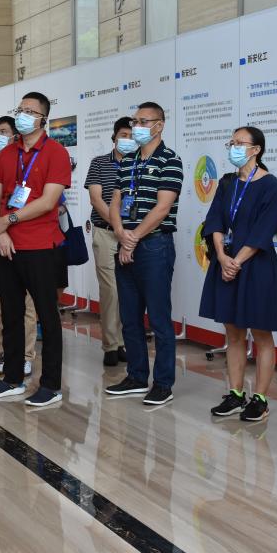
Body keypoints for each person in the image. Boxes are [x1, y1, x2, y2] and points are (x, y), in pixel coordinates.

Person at [0, 91, 71, 407]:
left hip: (41, 246)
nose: (23, 115)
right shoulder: (8, 154)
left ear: (43, 118)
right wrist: (2, 233)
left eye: (30, 111)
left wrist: (8, 220)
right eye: (20, 109)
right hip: (7, 246)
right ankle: (12, 379)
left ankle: (50, 385)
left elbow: (48, 202)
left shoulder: (56, 152)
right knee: (10, 313)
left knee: (47, 315)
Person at [201, 127, 277, 421]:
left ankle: (260, 399)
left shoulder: (270, 185)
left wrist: (235, 262)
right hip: (226, 262)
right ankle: (236, 394)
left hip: (255, 265)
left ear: (256, 149)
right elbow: (214, 221)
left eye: (240, 143)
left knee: (261, 333)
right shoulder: (227, 183)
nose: (234, 147)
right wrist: (222, 256)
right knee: (233, 333)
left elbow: (265, 230)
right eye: (231, 143)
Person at [104, 101, 182, 407]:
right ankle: (136, 376)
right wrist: (121, 233)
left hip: (154, 246)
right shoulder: (127, 162)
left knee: (159, 319)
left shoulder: (170, 160)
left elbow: (162, 208)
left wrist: (133, 238)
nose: (136, 126)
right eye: (134, 121)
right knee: (129, 317)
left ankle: (163, 384)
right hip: (126, 243)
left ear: (159, 125)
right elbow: (115, 201)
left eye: (143, 121)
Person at [0, 115, 37, 376]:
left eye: (2, 131)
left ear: (16, 135)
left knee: (27, 305)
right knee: (2, 304)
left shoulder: (32, 163)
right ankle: (6, 353)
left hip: (26, 244)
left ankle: (25, 355)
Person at [85, 116, 133, 366]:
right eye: (124, 135)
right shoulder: (99, 163)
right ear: (114, 137)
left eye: (132, 136)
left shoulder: (139, 164)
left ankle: (124, 342)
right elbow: (96, 199)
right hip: (106, 232)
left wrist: (128, 232)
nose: (128, 140)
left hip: (133, 236)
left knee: (128, 290)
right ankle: (111, 345)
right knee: (110, 290)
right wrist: (117, 226)